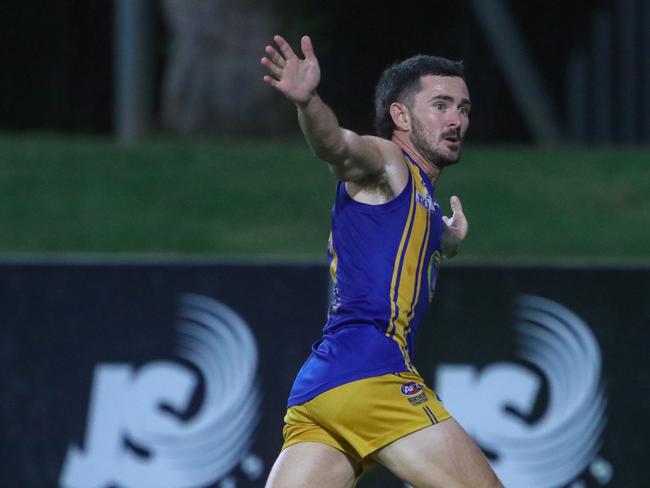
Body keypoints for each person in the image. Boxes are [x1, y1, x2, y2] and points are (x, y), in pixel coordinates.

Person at [261, 34, 503, 488]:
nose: (456, 120)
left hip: (323, 387)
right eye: (441, 105)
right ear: (400, 115)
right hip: (371, 372)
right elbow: (338, 146)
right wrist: (308, 102)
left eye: (464, 109)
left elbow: (407, 238)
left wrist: (446, 238)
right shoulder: (389, 161)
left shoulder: (420, 199)